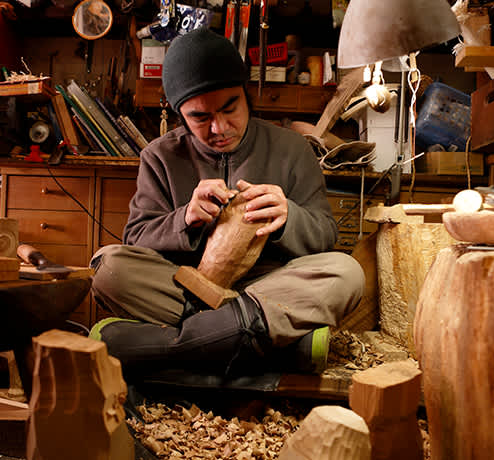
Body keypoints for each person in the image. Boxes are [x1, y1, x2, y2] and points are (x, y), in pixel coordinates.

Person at [89, 27, 365, 376]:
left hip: (267, 290)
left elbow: (325, 235)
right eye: (200, 118)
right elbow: (136, 238)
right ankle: (263, 345)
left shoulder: (293, 149)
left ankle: (171, 346)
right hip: (187, 288)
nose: (219, 128)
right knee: (108, 267)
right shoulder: (159, 156)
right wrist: (184, 219)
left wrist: (288, 217)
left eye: (229, 108)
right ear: (180, 115)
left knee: (347, 273)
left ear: (244, 94)